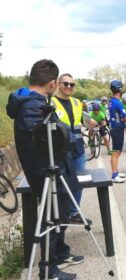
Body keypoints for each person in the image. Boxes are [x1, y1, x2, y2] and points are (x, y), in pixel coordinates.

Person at [6, 59, 83, 280]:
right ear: (51, 83)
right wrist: (63, 132)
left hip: (52, 169)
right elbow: (43, 141)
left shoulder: (31, 102)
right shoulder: (32, 105)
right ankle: (48, 271)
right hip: (45, 172)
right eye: (57, 84)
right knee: (53, 217)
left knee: (61, 212)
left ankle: (60, 254)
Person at [51, 73, 92, 225]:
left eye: (72, 84)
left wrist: (92, 123)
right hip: (61, 151)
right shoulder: (51, 102)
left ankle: (74, 213)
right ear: (58, 84)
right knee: (61, 185)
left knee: (78, 183)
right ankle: (61, 216)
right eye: (65, 83)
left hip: (79, 150)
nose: (69, 87)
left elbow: (84, 121)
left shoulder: (77, 102)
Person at [108, 80, 126, 183]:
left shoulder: (111, 101)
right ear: (120, 90)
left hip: (114, 127)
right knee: (116, 152)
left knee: (116, 152)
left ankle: (115, 172)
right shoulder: (118, 103)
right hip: (117, 129)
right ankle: (114, 175)